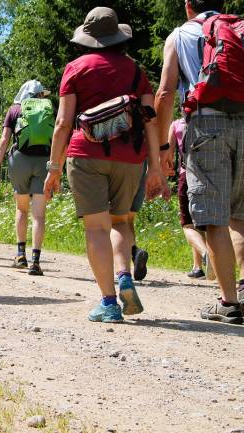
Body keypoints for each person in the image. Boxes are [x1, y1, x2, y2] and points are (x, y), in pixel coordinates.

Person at [44, 7, 169, 323]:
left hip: (86, 155)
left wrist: (54, 168)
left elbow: (62, 122)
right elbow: (150, 121)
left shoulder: (75, 68)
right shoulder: (136, 72)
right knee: (119, 222)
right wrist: (155, 167)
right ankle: (124, 274)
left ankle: (109, 303)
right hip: (131, 158)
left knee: (96, 227)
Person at [154, 0, 244, 324]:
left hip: (207, 126)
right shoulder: (238, 29)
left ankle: (229, 303)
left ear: (189, 5)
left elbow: (165, 94)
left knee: (215, 219)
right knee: (240, 213)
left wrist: (163, 144)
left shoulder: (180, 35)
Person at [0, 80, 54, 276]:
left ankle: (20, 256)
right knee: (39, 214)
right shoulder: (50, 109)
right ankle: (35, 260)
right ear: (41, 94)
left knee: (22, 208)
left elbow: (4, 140)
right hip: (44, 160)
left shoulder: (14, 110)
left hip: (20, 161)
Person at [165, 118, 213, 279]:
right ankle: (197, 267)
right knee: (199, 221)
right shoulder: (208, 120)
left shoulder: (176, 125)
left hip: (186, 175)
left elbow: (169, 155)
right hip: (210, 175)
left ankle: (208, 256)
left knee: (187, 225)